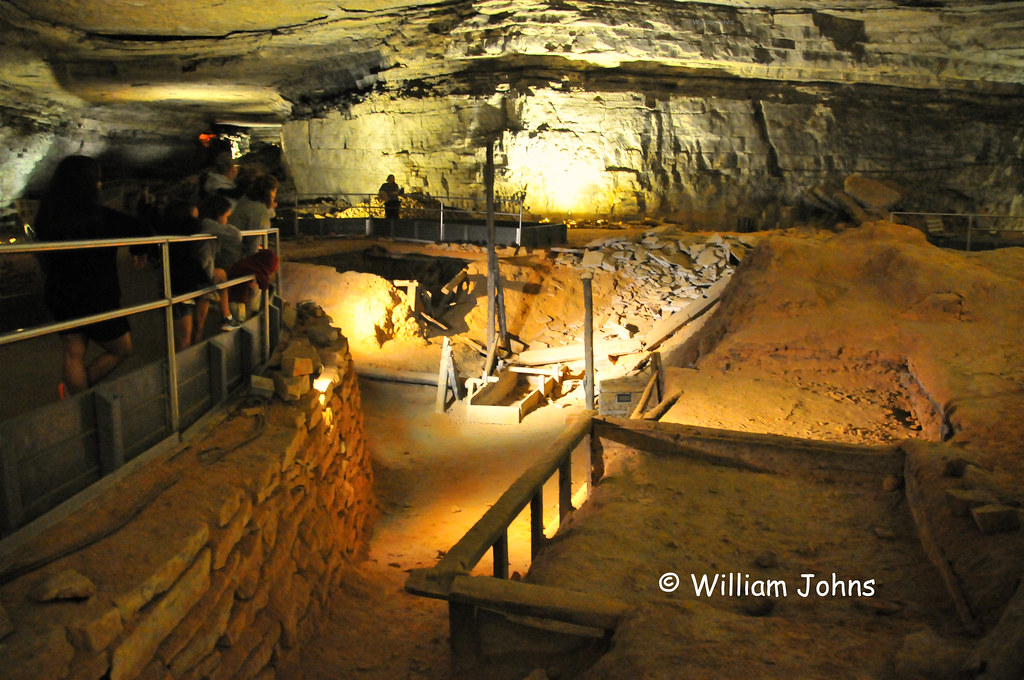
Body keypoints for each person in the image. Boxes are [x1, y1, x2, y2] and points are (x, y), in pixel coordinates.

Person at [33, 155, 152, 397]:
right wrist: (138, 249)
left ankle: (75, 398)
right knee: (121, 349)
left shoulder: (46, 217)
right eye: (97, 179)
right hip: (97, 296)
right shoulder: (99, 216)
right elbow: (142, 229)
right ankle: (77, 395)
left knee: (73, 353)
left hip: (60, 293)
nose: (100, 184)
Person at [159, 199, 211, 351]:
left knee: (182, 335)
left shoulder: (168, 230)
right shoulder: (184, 227)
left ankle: (186, 355)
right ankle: (183, 361)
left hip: (182, 284)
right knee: (183, 338)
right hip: (181, 287)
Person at [195, 194, 242, 339]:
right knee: (210, 287)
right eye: (226, 216)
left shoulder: (203, 222)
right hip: (200, 272)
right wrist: (223, 226)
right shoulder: (208, 224)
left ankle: (225, 317)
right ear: (219, 213)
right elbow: (236, 236)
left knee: (220, 275)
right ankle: (224, 319)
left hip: (200, 269)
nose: (226, 220)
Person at [230, 173, 278, 257]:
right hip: (239, 254)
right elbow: (254, 242)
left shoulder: (245, 200)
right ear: (271, 193)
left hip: (231, 248)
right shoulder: (259, 210)